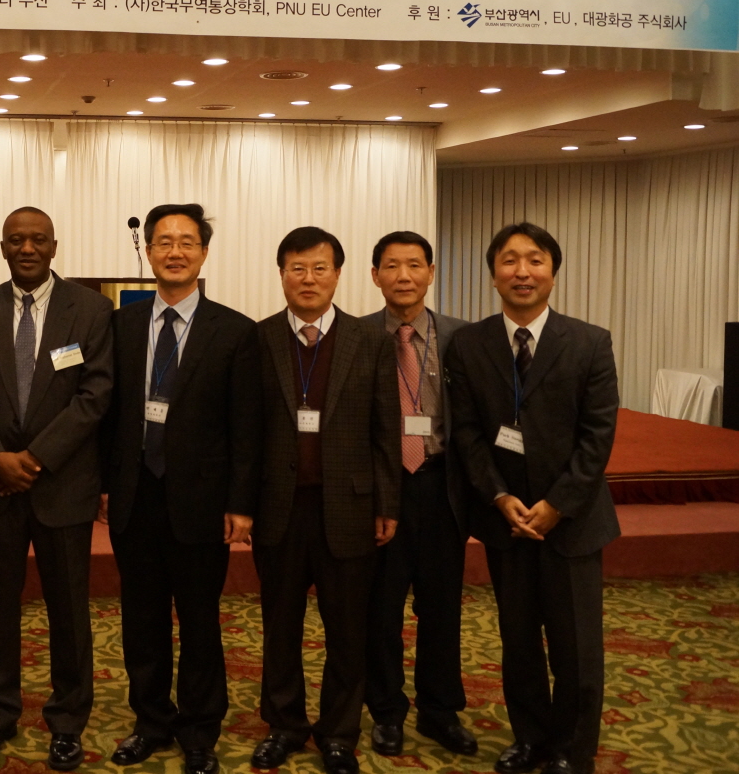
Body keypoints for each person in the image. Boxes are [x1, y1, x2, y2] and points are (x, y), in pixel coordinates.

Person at [446, 223, 619, 774]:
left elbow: (598, 436)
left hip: (572, 523)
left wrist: (557, 505)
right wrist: (499, 497)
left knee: (576, 646)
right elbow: (467, 433)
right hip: (507, 520)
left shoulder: (590, 341)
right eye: (510, 260)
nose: (522, 271)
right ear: (493, 273)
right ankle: (531, 738)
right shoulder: (469, 344)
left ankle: (573, 749)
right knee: (518, 640)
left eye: (535, 260)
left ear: (553, 272)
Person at [101, 204, 257, 774]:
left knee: (199, 621)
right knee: (141, 620)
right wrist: (105, 484)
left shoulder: (234, 331)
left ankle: (199, 729)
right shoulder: (119, 326)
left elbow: (246, 426)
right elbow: (107, 414)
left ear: (204, 253)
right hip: (135, 495)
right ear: (148, 252)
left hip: (203, 502)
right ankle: (150, 721)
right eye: (163, 241)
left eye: (186, 242)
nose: (174, 251)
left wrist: (240, 503)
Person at [0, 206, 114, 771]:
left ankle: (67, 722)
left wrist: (35, 458)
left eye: (38, 239)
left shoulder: (91, 309)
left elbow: (95, 395)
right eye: (16, 239)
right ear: (2, 247)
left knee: (69, 612)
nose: (27, 248)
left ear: (54, 246)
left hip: (63, 486)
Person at [244, 226, 401, 774]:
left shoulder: (370, 341)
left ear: (337, 274)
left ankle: (338, 733)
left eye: (319, 268)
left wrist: (388, 503)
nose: (308, 279)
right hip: (279, 509)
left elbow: (385, 429)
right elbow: (247, 431)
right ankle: (284, 724)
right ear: (281, 274)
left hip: (349, 508)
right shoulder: (258, 339)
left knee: (348, 630)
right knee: (280, 626)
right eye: (297, 268)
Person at [361, 232, 477, 759]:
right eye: (391, 266)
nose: (403, 276)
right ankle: (386, 711)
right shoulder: (358, 335)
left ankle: (440, 710)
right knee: (380, 611)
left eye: (414, 265)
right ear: (375, 275)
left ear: (431, 272)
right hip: (380, 489)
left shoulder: (463, 337)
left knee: (442, 608)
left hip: (441, 485)